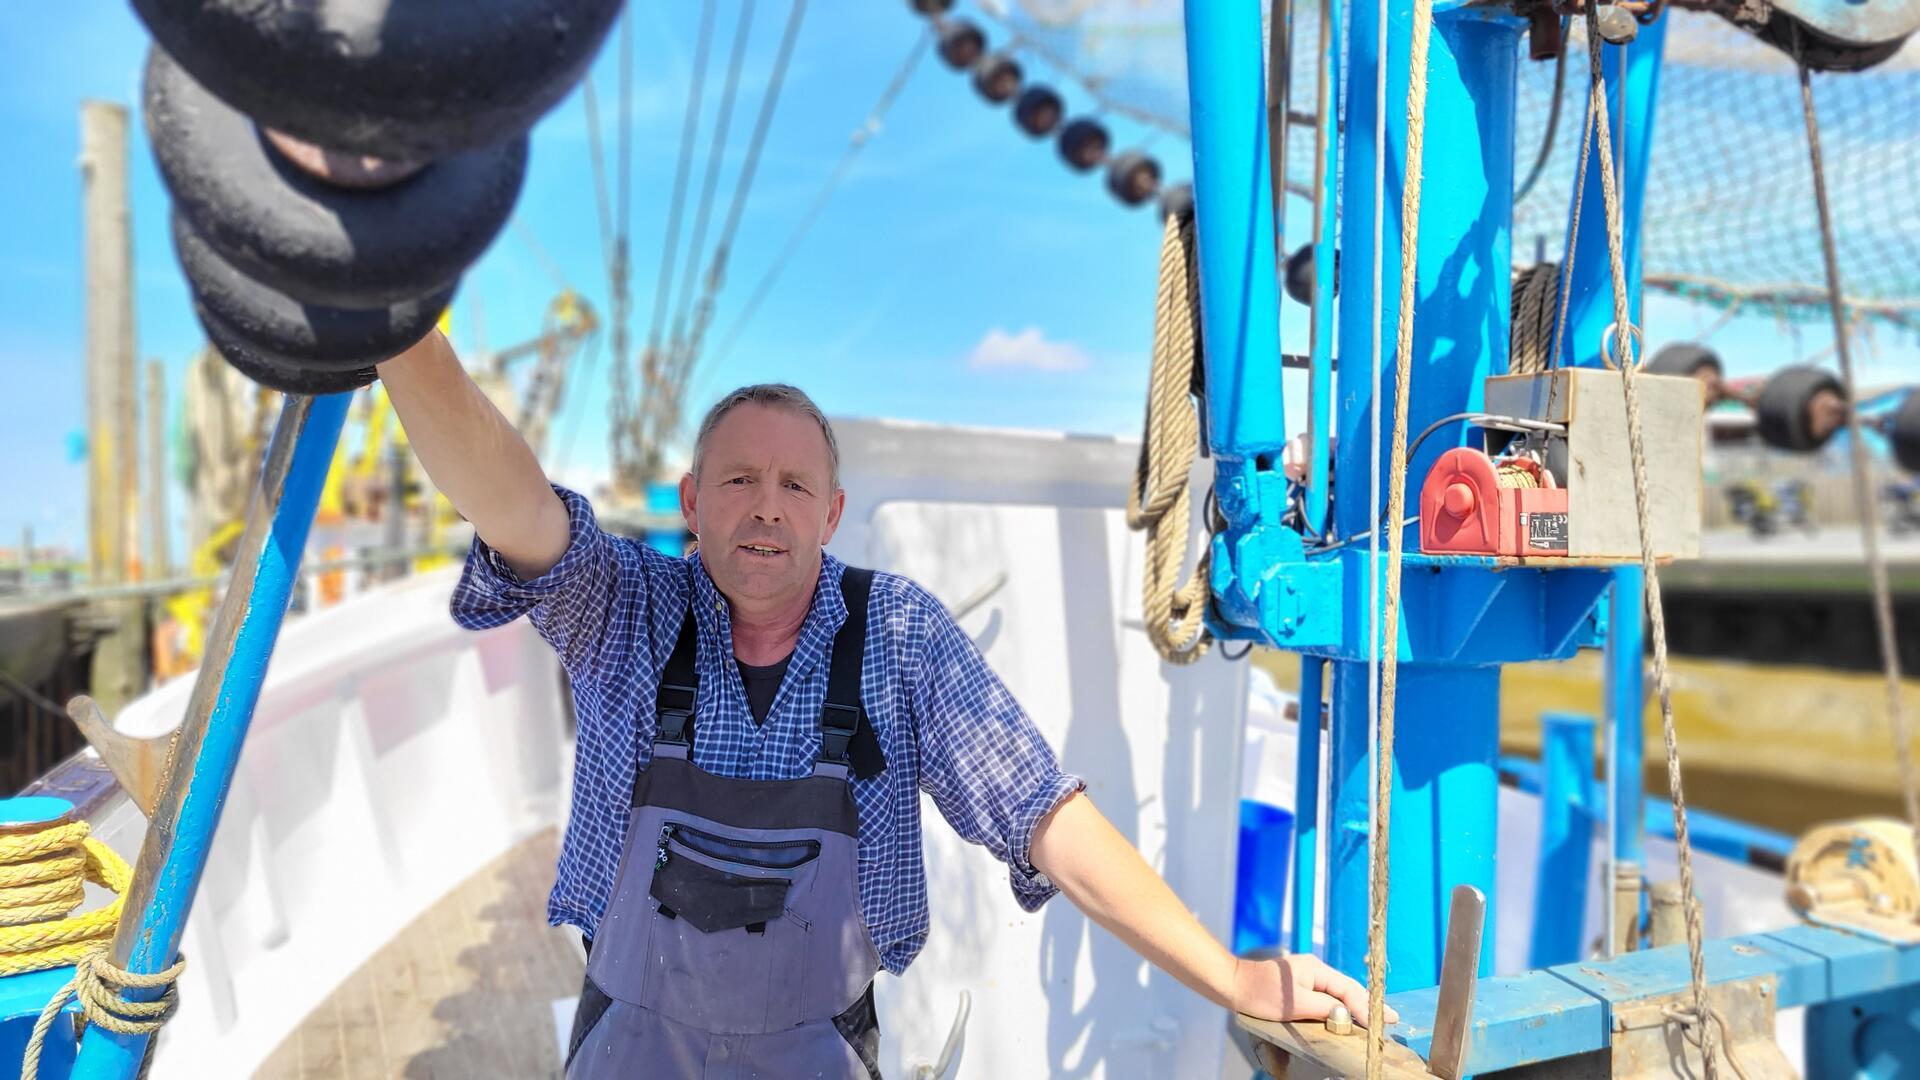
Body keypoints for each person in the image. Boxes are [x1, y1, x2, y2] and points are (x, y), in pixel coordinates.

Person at [377, 330, 1390, 1077]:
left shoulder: (898, 636)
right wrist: (400, 332)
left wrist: (1233, 979)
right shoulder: (626, 606)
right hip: (631, 1042)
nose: (765, 504)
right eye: (736, 479)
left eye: (791, 483)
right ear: (690, 504)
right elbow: (513, 504)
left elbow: (1047, 816)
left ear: (833, 514)